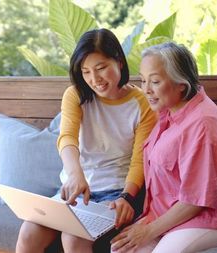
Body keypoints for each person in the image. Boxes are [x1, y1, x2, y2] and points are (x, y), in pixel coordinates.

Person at [15, 28, 157, 253]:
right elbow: (67, 137)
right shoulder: (76, 95)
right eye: (86, 71)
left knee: (73, 238)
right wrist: (75, 174)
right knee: (28, 233)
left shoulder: (141, 103)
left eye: (101, 68)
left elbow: (140, 160)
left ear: (119, 62)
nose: (95, 79)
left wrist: (127, 197)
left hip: (116, 191)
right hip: (76, 193)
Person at [110, 42, 217, 253]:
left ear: (181, 85)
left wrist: (148, 231)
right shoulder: (169, 109)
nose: (146, 89)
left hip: (212, 217)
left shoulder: (204, 125)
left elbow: (196, 201)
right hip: (171, 212)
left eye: (155, 81)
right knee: (121, 249)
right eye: (143, 80)